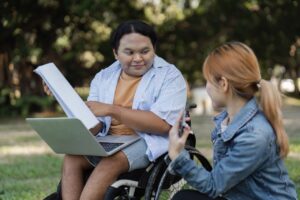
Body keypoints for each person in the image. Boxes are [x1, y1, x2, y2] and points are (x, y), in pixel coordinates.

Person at [44, 20, 187, 200]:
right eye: (129, 52)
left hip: (148, 139)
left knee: (111, 161)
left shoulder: (170, 76)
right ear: (115, 53)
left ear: (154, 48)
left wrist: (112, 110)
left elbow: (163, 125)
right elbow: (96, 127)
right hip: (111, 139)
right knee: (72, 157)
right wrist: (62, 97)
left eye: (145, 51)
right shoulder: (103, 77)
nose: (138, 58)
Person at [168, 42, 297, 200]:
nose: (206, 87)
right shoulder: (229, 121)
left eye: (208, 81)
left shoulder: (254, 135)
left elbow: (213, 185)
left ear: (223, 84)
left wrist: (177, 155)